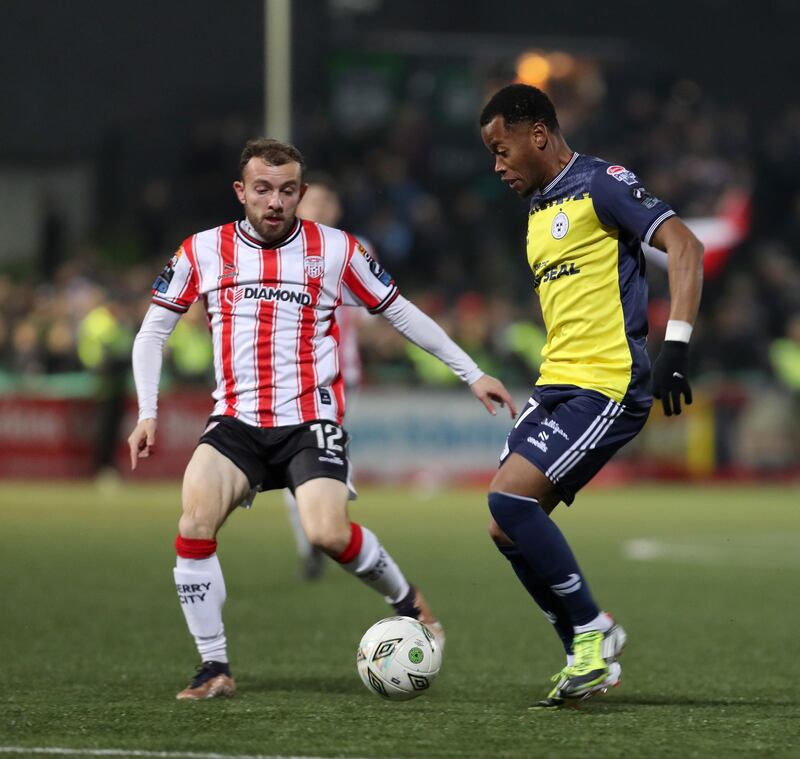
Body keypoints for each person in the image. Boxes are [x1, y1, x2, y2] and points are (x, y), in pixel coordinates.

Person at [127, 138, 516, 700]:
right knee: (193, 525)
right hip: (235, 421)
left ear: (301, 194)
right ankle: (214, 668)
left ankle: (407, 602)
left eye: (287, 190)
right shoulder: (202, 251)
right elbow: (153, 330)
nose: (275, 201)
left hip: (310, 420)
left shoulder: (336, 251)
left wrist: (471, 372)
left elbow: (400, 312)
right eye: (262, 189)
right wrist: (147, 411)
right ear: (241, 192)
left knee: (327, 533)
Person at [479, 84, 703, 709]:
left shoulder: (601, 182)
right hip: (556, 385)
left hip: (606, 383)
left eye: (502, 150)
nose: (497, 166)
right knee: (504, 526)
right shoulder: (537, 211)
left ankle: (593, 633)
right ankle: (582, 650)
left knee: (510, 500)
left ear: (539, 136)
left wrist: (675, 349)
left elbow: (686, 246)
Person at [287, 172, 364, 580]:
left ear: (334, 210)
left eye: (322, 203)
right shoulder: (282, 249)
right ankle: (316, 537)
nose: (314, 209)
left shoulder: (354, 249)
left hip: (337, 372)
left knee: (316, 453)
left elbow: (376, 310)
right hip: (289, 372)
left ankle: (323, 530)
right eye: (308, 202)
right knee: (296, 457)